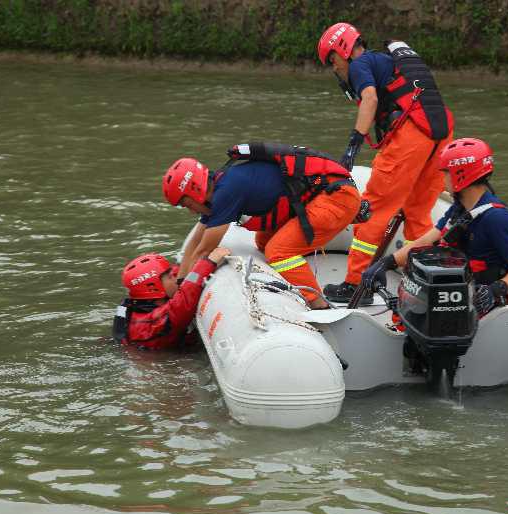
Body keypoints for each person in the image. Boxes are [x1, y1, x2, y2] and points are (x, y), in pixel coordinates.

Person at [316, 22, 456, 303]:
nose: (335, 68)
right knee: (417, 213)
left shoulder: (359, 65)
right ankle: (430, 278)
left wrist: (354, 144)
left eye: (333, 60)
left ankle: (357, 284)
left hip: (412, 136)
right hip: (441, 134)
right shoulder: (386, 61)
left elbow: (369, 97)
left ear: (343, 50)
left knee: (371, 209)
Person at [162, 143, 361, 310]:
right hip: (321, 196)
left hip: (336, 198)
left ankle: (319, 305)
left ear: (196, 191)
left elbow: (204, 250)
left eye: (187, 204)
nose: (190, 210)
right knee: (263, 242)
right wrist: (181, 282)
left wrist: (181, 298)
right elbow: (196, 241)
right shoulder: (222, 184)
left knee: (278, 251)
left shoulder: (226, 192)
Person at [360, 138, 508, 316]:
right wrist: (385, 263)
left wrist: (494, 291)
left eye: (446, 173)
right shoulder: (460, 208)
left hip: (484, 301)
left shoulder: (497, 219)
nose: (443, 178)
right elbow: (429, 239)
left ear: (461, 175)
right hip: (459, 292)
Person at [112, 247, 230, 350]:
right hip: (154, 360)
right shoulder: (155, 322)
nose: (175, 278)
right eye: (170, 277)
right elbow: (185, 296)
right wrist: (209, 262)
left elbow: (176, 272)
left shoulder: (138, 303)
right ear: (153, 288)